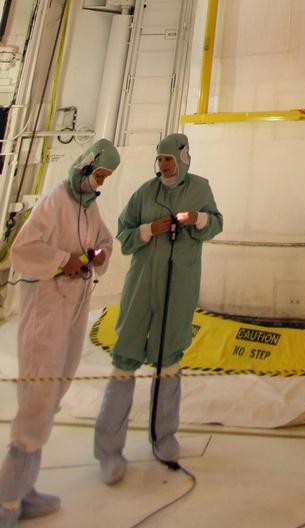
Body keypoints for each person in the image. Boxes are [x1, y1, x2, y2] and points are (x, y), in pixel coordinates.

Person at [0, 139, 120, 524]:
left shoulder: (89, 206)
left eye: (105, 177)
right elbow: (23, 251)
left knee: (55, 391)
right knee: (38, 394)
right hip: (47, 310)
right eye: (98, 173)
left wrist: (97, 255)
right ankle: (6, 500)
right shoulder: (56, 201)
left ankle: (23, 487)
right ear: (85, 166)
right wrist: (62, 261)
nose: (99, 182)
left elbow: (103, 240)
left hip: (75, 305)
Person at [93, 132, 222, 484]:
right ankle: (108, 450)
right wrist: (150, 229)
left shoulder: (200, 188)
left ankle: (164, 437)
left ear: (183, 158)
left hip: (178, 286)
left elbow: (216, 223)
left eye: (169, 159)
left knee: (169, 361)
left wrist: (197, 219)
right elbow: (124, 232)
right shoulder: (144, 193)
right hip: (141, 286)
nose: (164, 165)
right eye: (160, 159)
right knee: (125, 358)